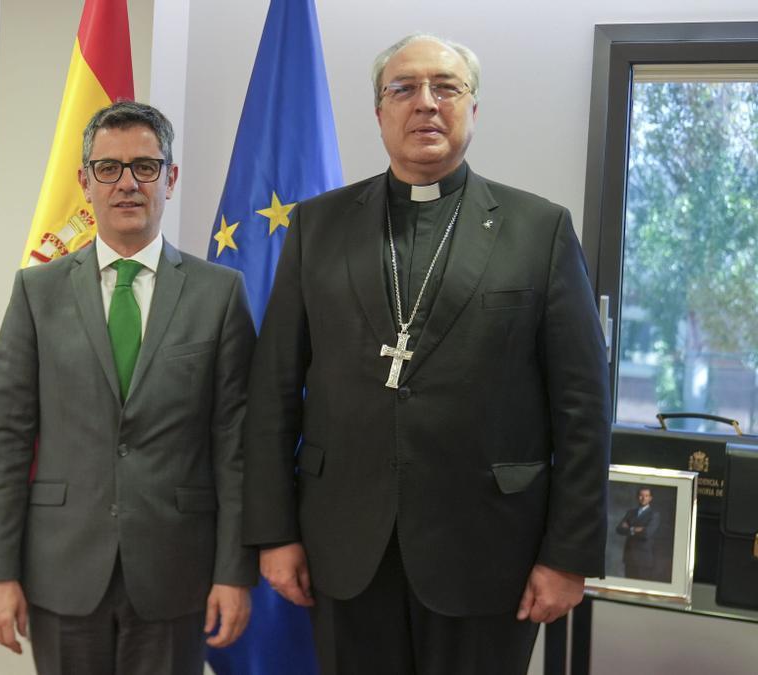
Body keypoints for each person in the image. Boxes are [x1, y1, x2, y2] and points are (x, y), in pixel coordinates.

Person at [242, 33, 611, 675]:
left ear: (473, 107)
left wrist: (569, 554)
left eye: (446, 87)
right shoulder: (318, 226)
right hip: (346, 545)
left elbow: (582, 407)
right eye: (404, 88)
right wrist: (274, 532)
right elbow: (273, 390)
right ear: (379, 112)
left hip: (491, 548)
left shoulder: (539, 229)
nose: (426, 104)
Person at [0, 101, 256, 674]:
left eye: (145, 167)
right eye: (108, 168)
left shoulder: (220, 294)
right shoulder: (38, 293)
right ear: (85, 181)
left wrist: (233, 572)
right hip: (61, 565)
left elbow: (236, 447)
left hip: (177, 568)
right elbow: (5, 440)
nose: (127, 183)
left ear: (170, 179)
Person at [617, 487, 661, 580]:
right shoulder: (630, 512)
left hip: (643, 558)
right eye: (641, 495)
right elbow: (619, 529)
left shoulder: (654, 514)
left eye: (646, 496)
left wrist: (629, 528)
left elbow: (647, 534)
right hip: (629, 556)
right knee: (628, 585)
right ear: (637, 497)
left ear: (650, 498)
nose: (643, 498)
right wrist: (635, 529)